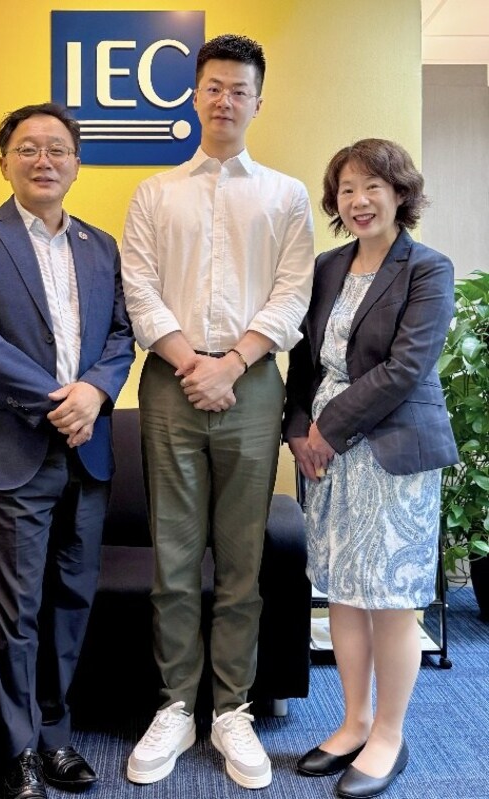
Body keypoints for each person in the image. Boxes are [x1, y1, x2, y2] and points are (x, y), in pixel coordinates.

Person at [121, 34, 314, 790]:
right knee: (173, 554)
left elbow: (292, 292)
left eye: (240, 89)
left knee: (242, 557)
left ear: (258, 102)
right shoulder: (153, 192)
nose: (225, 99)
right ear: (194, 94)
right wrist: (191, 362)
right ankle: (176, 703)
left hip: (254, 381)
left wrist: (232, 363)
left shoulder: (285, 194)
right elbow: (139, 285)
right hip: (171, 379)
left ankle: (231, 706)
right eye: (213, 86)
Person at [0, 103, 135, 799]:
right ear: (4, 162)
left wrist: (96, 392)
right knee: (14, 606)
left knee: (71, 600)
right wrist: (64, 397)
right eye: (28, 148)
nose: (44, 159)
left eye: (57, 148)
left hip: (85, 451)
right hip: (9, 445)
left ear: (77, 164)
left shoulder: (99, 246)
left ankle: (54, 737)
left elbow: (120, 335)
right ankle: (13, 751)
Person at [283, 138, 458, 799]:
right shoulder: (327, 267)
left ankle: (389, 730)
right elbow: (301, 361)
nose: (359, 201)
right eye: (347, 189)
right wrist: (300, 430)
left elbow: (405, 368)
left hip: (392, 449)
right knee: (346, 593)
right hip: (325, 454)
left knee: (391, 596)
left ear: (400, 193)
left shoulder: (427, 270)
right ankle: (353, 719)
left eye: (373, 187)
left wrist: (328, 428)